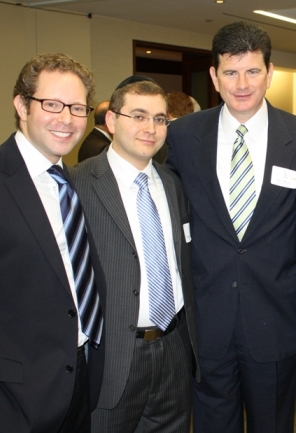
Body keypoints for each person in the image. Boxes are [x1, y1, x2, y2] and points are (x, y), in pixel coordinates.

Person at [0, 52, 106, 433]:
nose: (67, 119)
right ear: (22, 105)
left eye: (77, 107)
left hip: (78, 385)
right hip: (9, 401)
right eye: (52, 104)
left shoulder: (75, 183)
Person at [167, 21, 296, 433]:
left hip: (277, 323)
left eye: (253, 71)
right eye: (230, 72)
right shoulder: (183, 136)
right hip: (207, 326)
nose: (242, 84)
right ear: (214, 76)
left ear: (269, 73)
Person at [69, 78, 199, 433]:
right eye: (138, 116)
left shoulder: (173, 185)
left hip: (173, 349)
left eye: (160, 119)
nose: (151, 128)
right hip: (112, 357)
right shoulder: (76, 186)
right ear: (111, 121)